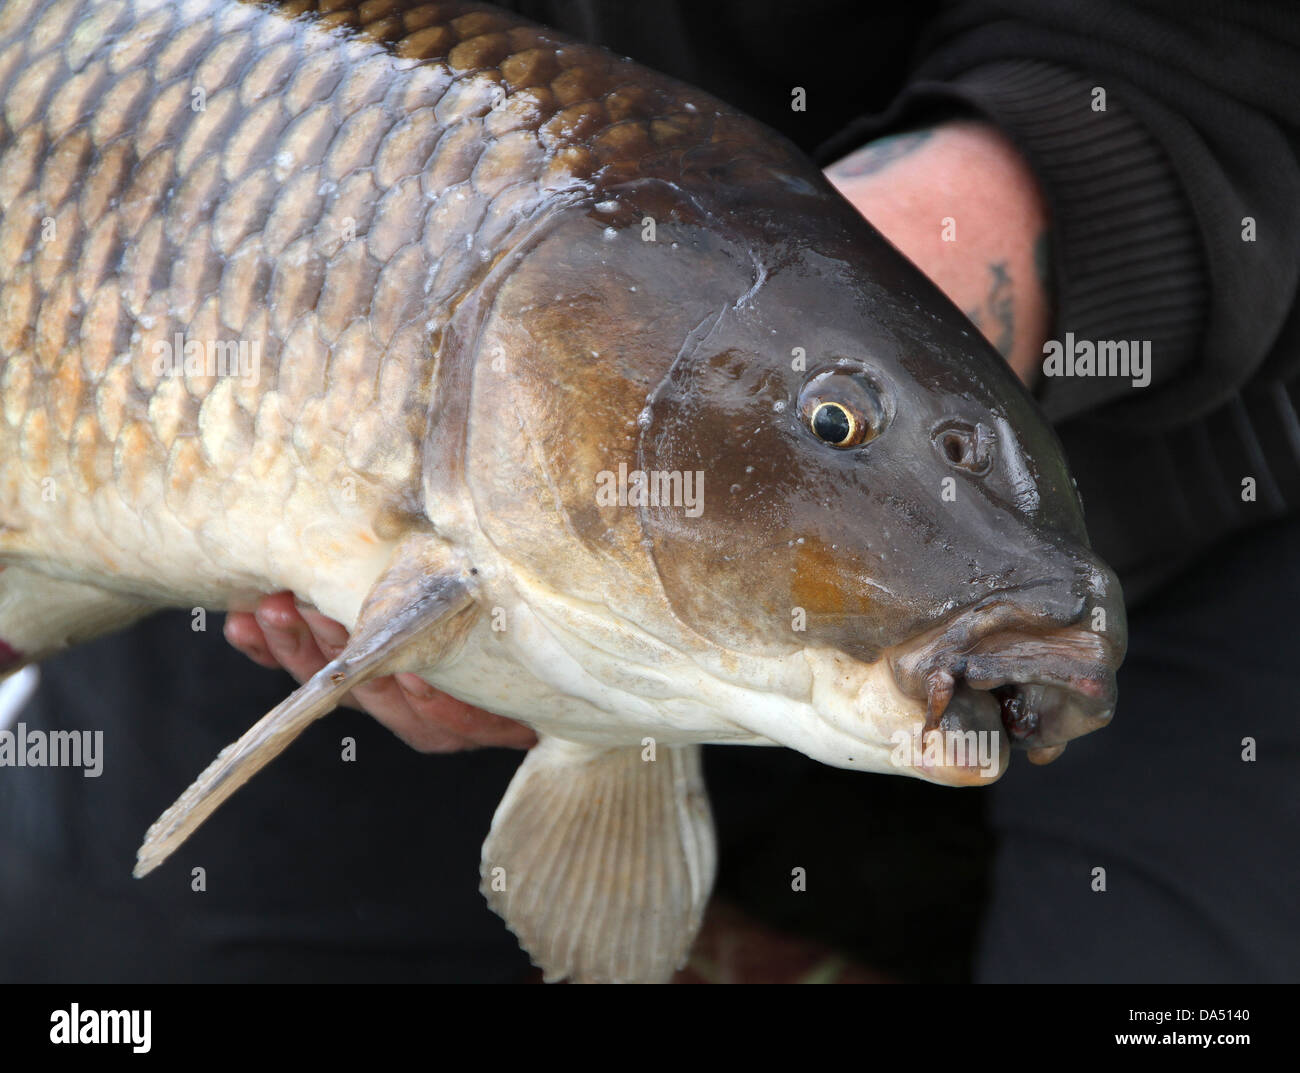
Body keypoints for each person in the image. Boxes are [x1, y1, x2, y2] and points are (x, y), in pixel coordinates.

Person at [2, 0, 1296, 983]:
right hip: (464, 295)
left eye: (831, 421)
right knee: (105, 948)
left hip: (1203, 450)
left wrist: (872, 408)